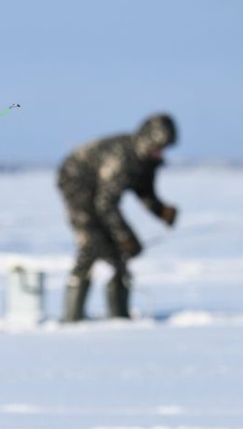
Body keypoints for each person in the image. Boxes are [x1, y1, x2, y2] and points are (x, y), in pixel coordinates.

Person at [56, 112, 179, 321]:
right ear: (148, 140)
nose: (160, 153)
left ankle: (119, 317)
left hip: (100, 194)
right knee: (92, 243)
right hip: (76, 182)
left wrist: (161, 210)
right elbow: (105, 203)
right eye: (158, 147)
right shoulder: (121, 158)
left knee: (117, 253)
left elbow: (145, 192)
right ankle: (72, 317)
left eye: (163, 148)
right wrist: (126, 237)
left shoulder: (145, 160)